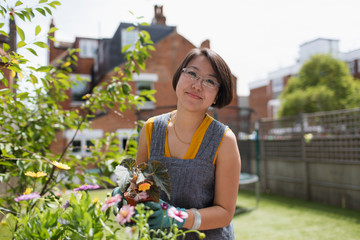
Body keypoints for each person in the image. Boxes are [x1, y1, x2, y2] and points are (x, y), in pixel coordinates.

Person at [134, 48, 241, 239]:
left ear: (217, 95)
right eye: (192, 73)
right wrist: (128, 198)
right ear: (179, 76)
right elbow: (137, 189)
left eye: (209, 81)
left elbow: (225, 212)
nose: (197, 85)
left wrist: (178, 218)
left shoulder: (224, 140)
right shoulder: (150, 129)